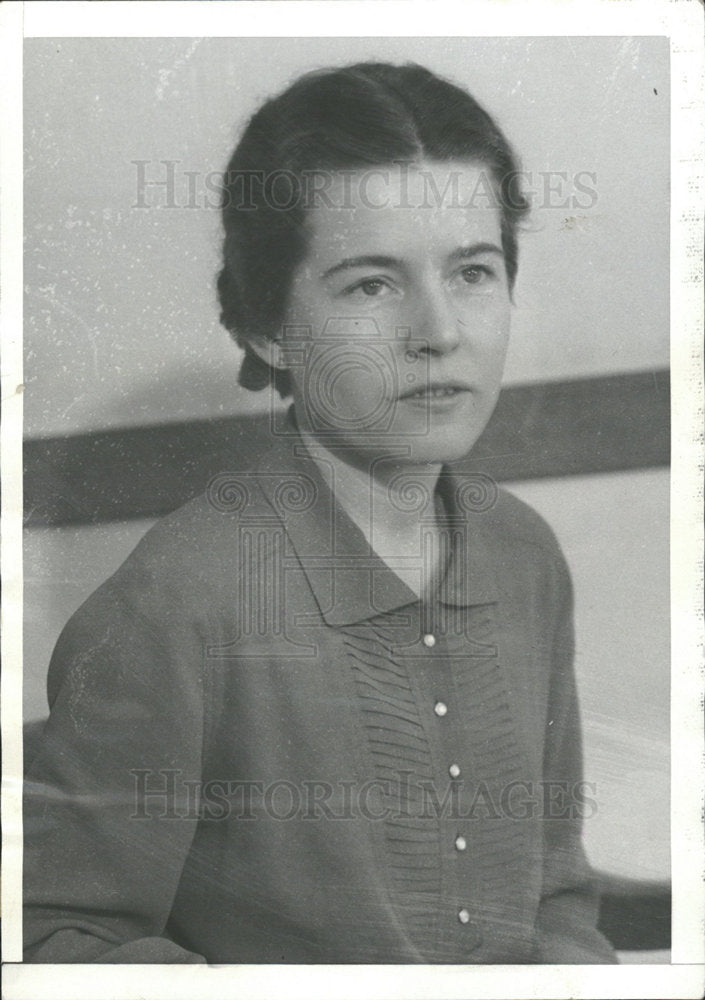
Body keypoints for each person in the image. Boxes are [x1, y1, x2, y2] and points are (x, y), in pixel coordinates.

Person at [23, 62, 617, 964]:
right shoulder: (178, 602)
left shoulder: (523, 553)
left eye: (472, 271)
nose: (438, 332)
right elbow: (55, 937)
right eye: (370, 285)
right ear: (267, 327)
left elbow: (556, 899)